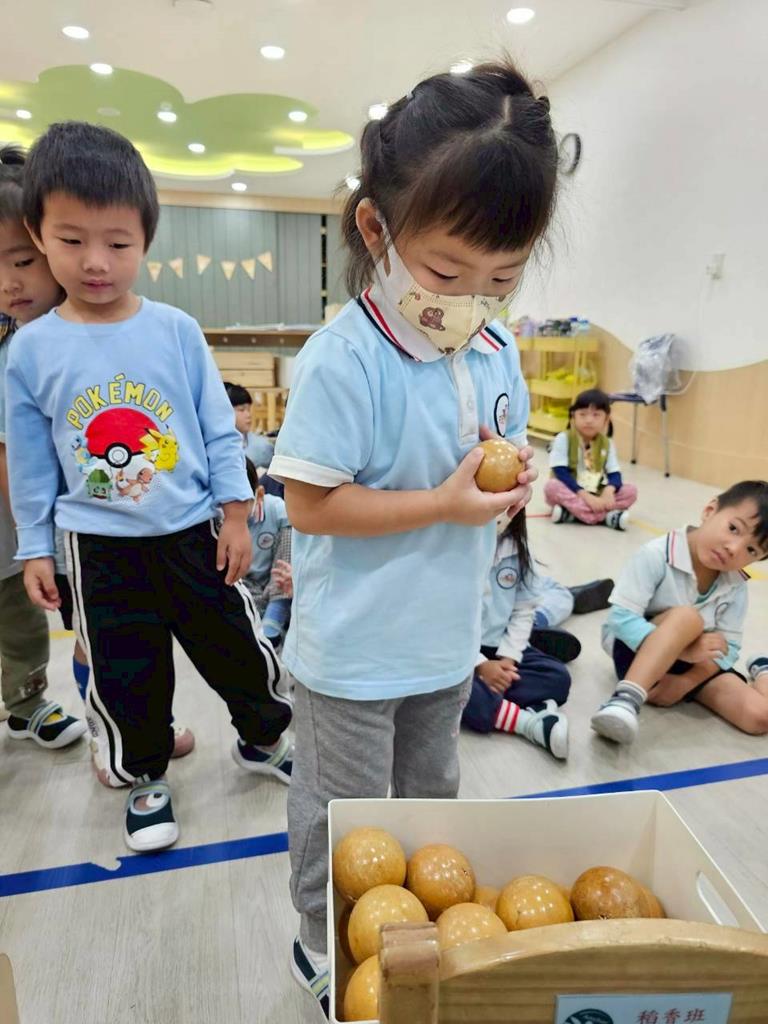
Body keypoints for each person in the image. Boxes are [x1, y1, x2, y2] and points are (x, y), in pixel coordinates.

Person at [268, 60, 557, 1015]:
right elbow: (312, 506)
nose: (472, 298)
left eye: (503, 278)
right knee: (344, 818)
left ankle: (406, 940)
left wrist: (510, 481)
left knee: (428, 802)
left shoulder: (494, 346)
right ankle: (322, 939)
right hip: (352, 653)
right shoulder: (344, 359)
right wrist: (440, 503)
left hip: (442, 641)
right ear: (375, 231)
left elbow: (492, 455)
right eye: (444, 272)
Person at [5, 122, 292, 852]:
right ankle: (145, 774)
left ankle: (263, 737)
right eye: (72, 240)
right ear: (39, 234)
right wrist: (36, 547)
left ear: (145, 240)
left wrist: (235, 514)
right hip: (97, 546)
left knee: (234, 644)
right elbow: (31, 461)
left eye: (118, 242)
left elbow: (218, 430)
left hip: (193, 529)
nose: (96, 261)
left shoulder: (175, 329)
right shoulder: (31, 350)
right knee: (124, 671)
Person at [0, 144, 86, 749]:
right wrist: (44, 541)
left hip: (65, 529)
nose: (9, 282)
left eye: (23, 261)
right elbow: (15, 460)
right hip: (36, 530)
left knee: (31, 626)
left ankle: (29, 702)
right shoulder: (17, 351)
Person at [591, 480, 768, 744]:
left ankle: (763, 669)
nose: (734, 548)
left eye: (751, 550)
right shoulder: (656, 554)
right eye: (733, 528)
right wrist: (683, 650)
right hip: (634, 652)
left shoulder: (736, 585)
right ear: (709, 511)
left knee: (759, 716)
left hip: (695, 663)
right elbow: (621, 619)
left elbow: (729, 648)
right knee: (688, 618)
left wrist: (686, 682)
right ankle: (625, 700)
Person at [461, 512, 570, 759]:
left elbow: (523, 609)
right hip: (457, 652)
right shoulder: (455, 547)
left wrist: (508, 659)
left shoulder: (519, 550)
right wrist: (480, 666)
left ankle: (493, 697)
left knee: (557, 678)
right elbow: (443, 621)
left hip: (498, 646)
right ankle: (528, 722)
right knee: (449, 691)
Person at [544, 388, 637, 530]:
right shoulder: (563, 438)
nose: (589, 420)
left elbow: (615, 474)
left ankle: (572, 514)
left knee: (630, 491)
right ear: (573, 416)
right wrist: (586, 497)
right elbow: (560, 472)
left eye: (596, 415)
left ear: (606, 419)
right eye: (582, 414)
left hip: (596, 491)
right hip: (572, 490)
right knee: (552, 487)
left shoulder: (607, 443)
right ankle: (605, 517)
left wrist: (609, 491)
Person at [242, 458, 293, 647]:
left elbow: (285, 566)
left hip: (274, 588)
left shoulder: (277, 511)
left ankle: (275, 619)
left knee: (285, 565)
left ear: (260, 494)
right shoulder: (217, 519)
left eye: (242, 502)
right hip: (244, 590)